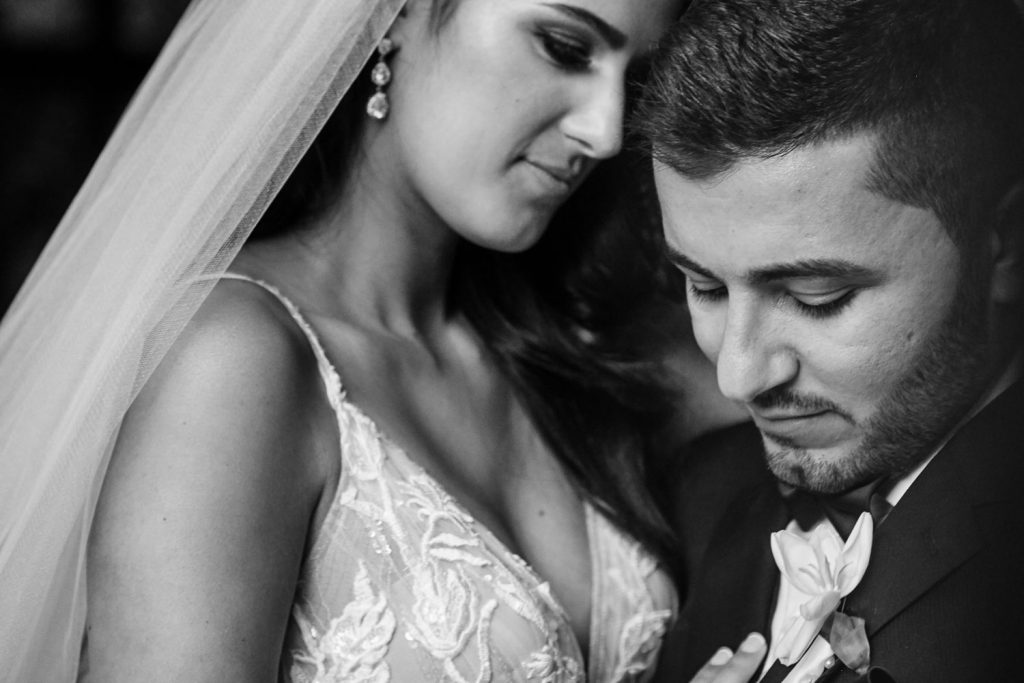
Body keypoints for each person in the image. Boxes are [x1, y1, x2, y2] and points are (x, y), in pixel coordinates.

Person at [0, 1, 771, 681]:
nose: (604, 132)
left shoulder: (561, 353)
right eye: (564, 47)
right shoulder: (233, 362)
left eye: (633, 79)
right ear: (390, 13)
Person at [633, 0, 1024, 681]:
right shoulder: (698, 495)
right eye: (705, 287)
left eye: (819, 298)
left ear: (1006, 245)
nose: (739, 374)